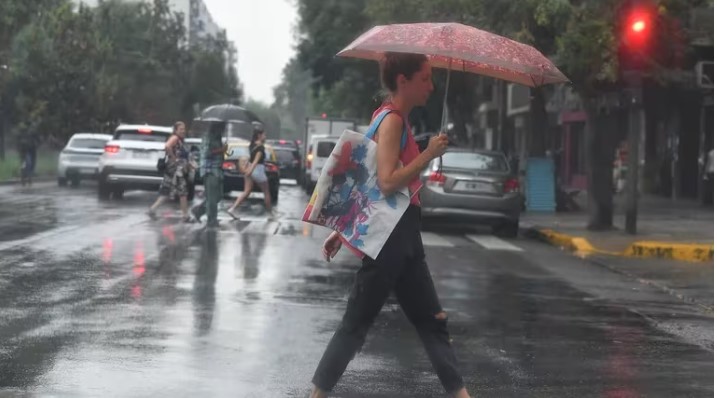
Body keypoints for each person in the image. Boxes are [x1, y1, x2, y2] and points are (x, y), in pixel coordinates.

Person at [310, 53, 471, 398]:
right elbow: (385, 182)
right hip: (393, 239)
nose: (431, 85)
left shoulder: (387, 117)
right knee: (355, 325)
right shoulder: (393, 120)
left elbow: (368, 184)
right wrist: (428, 155)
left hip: (404, 236)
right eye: (425, 78)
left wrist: (343, 230)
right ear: (403, 80)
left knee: (432, 324)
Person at [226, 123, 274, 219]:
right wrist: (250, 171)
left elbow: (249, 159)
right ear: (259, 136)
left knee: (246, 191)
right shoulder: (261, 148)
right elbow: (256, 161)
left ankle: (232, 209)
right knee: (266, 192)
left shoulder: (252, 146)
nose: (265, 136)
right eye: (264, 135)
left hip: (250, 169)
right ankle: (270, 214)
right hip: (257, 170)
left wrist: (247, 171)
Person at [148, 121, 193, 222]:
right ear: (176, 130)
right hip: (176, 170)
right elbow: (167, 146)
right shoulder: (175, 138)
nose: (183, 131)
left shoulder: (181, 140)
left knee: (167, 191)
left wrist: (189, 164)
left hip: (175, 169)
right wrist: (174, 159)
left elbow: (183, 155)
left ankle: (152, 209)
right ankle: (185, 216)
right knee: (183, 191)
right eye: (181, 129)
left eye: (184, 129)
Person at [192, 122, 227, 228]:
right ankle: (212, 220)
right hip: (210, 170)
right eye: (223, 127)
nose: (224, 129)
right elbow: (207, 153)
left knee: (218, 196)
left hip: (218, 170)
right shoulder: (208, 137)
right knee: (212, 198)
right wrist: (221, 150)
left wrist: (223, 150)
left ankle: (198, 210)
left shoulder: (218, 137)